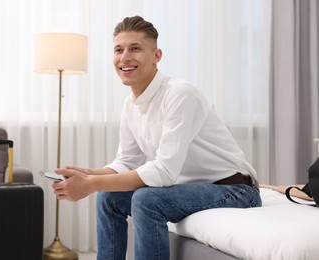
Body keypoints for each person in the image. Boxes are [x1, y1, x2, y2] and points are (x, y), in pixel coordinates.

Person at [52, 15, 262, 260]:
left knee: (146, 199)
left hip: (235, 190)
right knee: (108, 197)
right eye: (118, 50)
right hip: (189, 188)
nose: (125, 57)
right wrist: (88, 174)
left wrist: (90, 185)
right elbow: (126, 162)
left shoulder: (180, 94)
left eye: (135, 48)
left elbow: (164, 172)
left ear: (156, 56)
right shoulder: (130, 104)